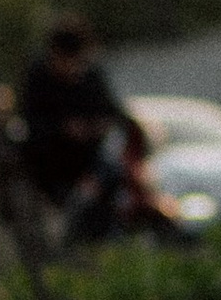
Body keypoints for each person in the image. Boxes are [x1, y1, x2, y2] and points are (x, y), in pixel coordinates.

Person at [14, 19, 134, 217]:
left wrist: (100, 125)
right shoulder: (39, 77)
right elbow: (30, 121)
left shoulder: (91, 76)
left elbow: (114, 114)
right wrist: (62, 128)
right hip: (51, 162)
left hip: (89, 160)